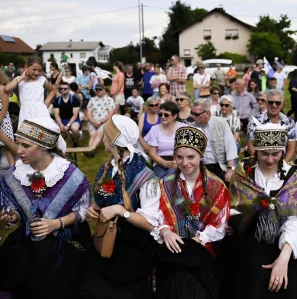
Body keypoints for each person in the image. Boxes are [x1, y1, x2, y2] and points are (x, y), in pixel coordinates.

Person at [0, 117, 91, 299]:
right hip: (27, 239)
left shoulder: (70, 175)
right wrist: (13, 217)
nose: (19, 150)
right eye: (18, 144)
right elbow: (15, 210)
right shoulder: (14, 174)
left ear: (43, 147)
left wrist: (56, 223)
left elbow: (83, 211)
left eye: (25, 146)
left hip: (63, 240)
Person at [225, 122, 297, 299]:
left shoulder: (291, 174)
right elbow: (235, 205)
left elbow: (293, 220)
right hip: (249, 240)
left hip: (282, 240)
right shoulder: (243, 171)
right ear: (255, 150)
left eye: (276, 154)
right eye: (264, 153)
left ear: (283, 151)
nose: (270, 159)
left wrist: (283, 259)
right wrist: (232, 220)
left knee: (287, 284)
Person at [81, 115, 160, 299]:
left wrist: (120, 211)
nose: (102, 138)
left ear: (112, 140)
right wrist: (95, 207)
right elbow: (103, 201)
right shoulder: (107, 167)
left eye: (105, 135)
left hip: (132, 249)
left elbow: (150, 223)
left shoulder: (145, 177)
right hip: (106, 240)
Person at [153, 126, 229, 299]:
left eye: (191, 157)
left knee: (189, 282)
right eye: (179, 157)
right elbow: (156, 213)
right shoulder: (165, 183)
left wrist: (197, 241)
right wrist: (165, 231)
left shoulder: (216, 186)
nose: (185, 162)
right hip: (171, 247)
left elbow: (220, 224)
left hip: (203, 248)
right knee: (176, 278)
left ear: (201, 156)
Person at [192, 99, 237, 183]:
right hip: (200, 166)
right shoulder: (192, 127)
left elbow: (230, 147)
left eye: (196, 114)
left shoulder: (221, 123)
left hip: (219, 166)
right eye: (192, 113)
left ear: (208, 113)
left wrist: (230, 169)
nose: (193, 116)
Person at [247, 90, 296, 162]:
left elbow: (291, 149)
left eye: (277, 103)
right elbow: (250, 145)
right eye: (271, 102)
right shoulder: (254, 121)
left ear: (282, 104)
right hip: (260, 163)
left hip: (282, 163)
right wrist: (259, 165)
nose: (274, 105)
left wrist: (282, 167)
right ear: (266, 103)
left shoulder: (289, 122)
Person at [5, 56, 56, 126]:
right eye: (34, 69)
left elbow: (53, 90)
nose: (36, 73)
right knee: (25, 135)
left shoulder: (41, 79)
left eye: (39, 70)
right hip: (26, 112)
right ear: (26, 67)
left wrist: (46, 102)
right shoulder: (19, 79)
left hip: (41, 112)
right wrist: (22, 77)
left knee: (42, 134)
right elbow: (7, 88)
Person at [144, 102, 186, 178]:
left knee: (170, 177)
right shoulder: (154, 129)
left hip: (179, 162)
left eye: (166, 114)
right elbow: (152, 153)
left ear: (175, 116)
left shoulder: (183, 128)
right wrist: (165, 163)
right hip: (160, 162)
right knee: (159, 177)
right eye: (160, 114)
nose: (162, 117)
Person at [86, 84, 115, 157]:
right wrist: (93, 122)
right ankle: (90, 150)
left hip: (105, 121)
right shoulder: (92, 100)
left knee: (99, 133)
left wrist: (101, 121)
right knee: (93, 134)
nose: (98, 91)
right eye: (96, 90)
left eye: (100, 89)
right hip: (93, 121)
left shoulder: (109, 100)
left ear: (104, 90)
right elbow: (88, 113)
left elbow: (111, 113)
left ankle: (90, 150)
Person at [53, 81, 81, 147]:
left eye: (65, 89)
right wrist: (60, 124)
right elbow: (56, 114)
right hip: (61, 120)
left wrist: (68, 125)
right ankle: (56, 145)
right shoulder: (57, 100)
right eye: (61, 89)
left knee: (75, 129)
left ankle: (75, 142)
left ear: (69, 89)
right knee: (53, 129)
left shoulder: (75, 100)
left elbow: (75, 115)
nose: (63, 90)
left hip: (73, 120)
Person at [0, 70, 16, 166]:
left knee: (7, 148)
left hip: (3, 122)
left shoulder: (2, 89)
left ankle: (14, 172)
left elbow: (5, 107)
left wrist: (0, 119)